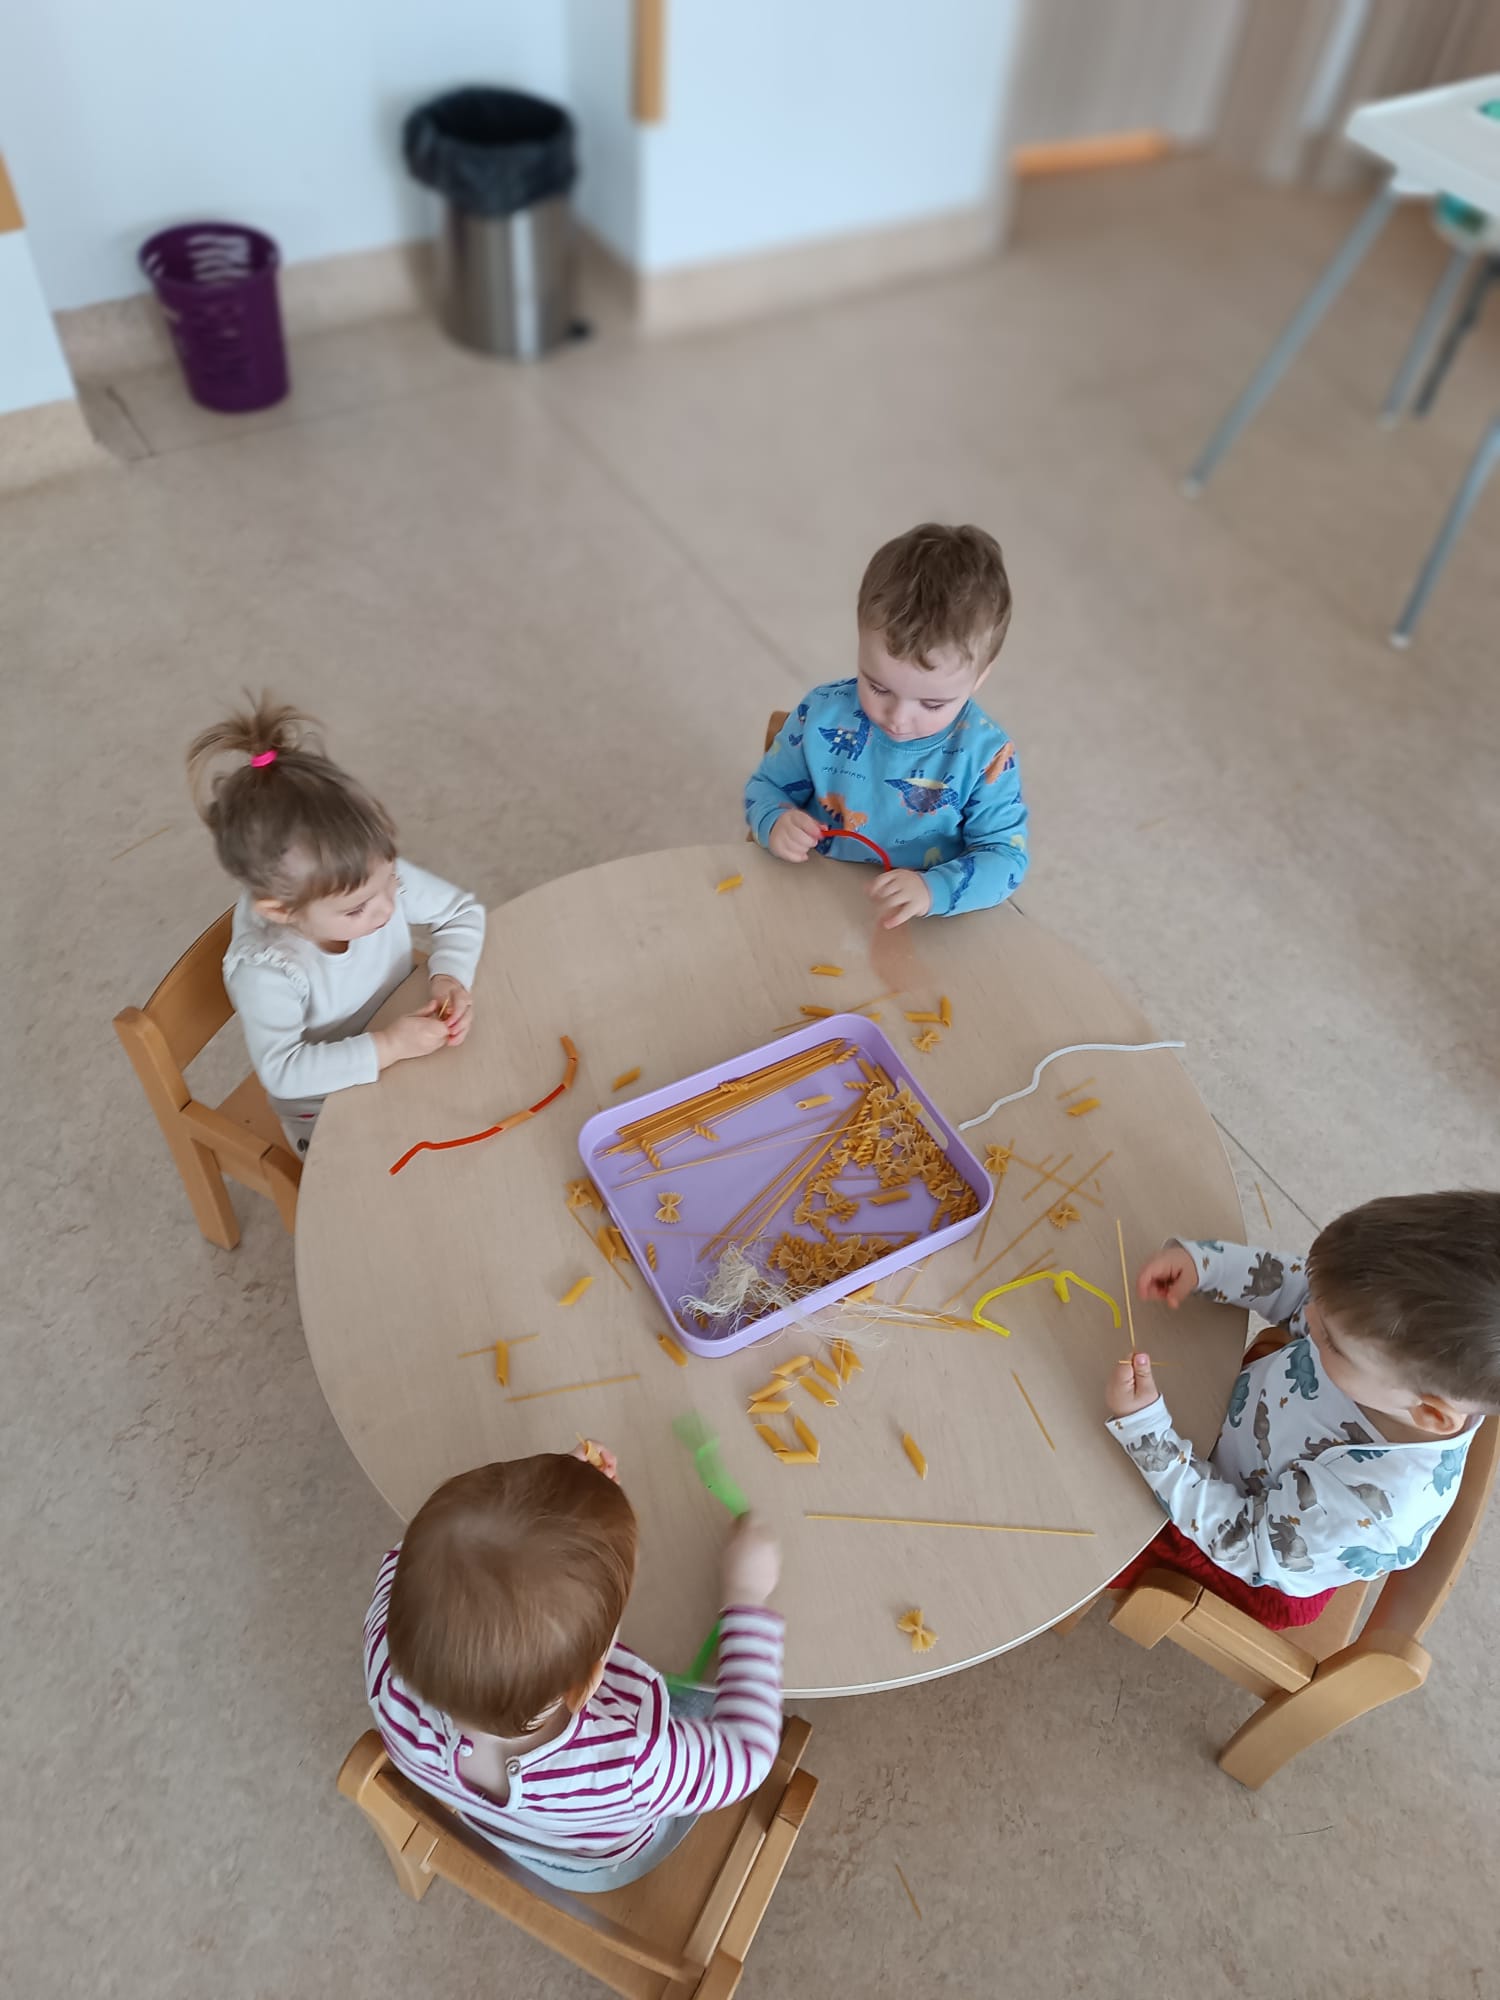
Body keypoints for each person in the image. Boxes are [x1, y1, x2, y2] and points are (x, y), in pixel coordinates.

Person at [364, 1446, 784, 1890]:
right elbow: (748, 1753)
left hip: (500, 1828)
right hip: (597, 1863)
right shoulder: (630, 1762)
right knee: (702, 1693)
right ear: (586, 1684)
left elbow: (417, 1559)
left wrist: (549, 1508)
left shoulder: (387, 1672)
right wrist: (745, 1596)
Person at [1104, 1192, 1499, 1629]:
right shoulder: (1387, 1362)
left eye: (1329, 1339)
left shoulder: (1369, 1508)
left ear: (1432, 1415)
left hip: (1250, 1557)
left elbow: (1240, 1539)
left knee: (1100, 1526)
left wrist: (1148, 1436)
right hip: (1237, 1442)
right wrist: (1209, 1268)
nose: (1306, 1316)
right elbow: (1304, 1294)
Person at [187, 695, 485, 1155]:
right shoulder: (266, 968)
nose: (387, 908)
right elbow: (284, 1072)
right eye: (357, 910)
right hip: (327, 1106)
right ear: (282, 911)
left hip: (405, 1033)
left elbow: (461, 912)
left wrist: (450, 976)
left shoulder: (364, 877)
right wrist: (388, 1046)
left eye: (392, 879)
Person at [744, 522, 1028, 930]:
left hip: (920, 922)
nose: (898, 718)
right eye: (877, 687)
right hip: (814, 900)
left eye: (932, 703)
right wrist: (775, 821)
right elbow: (766, 788)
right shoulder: (820, 715)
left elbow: (1006, 859)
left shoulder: (988, 758)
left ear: (981, 676)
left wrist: (933, 890)